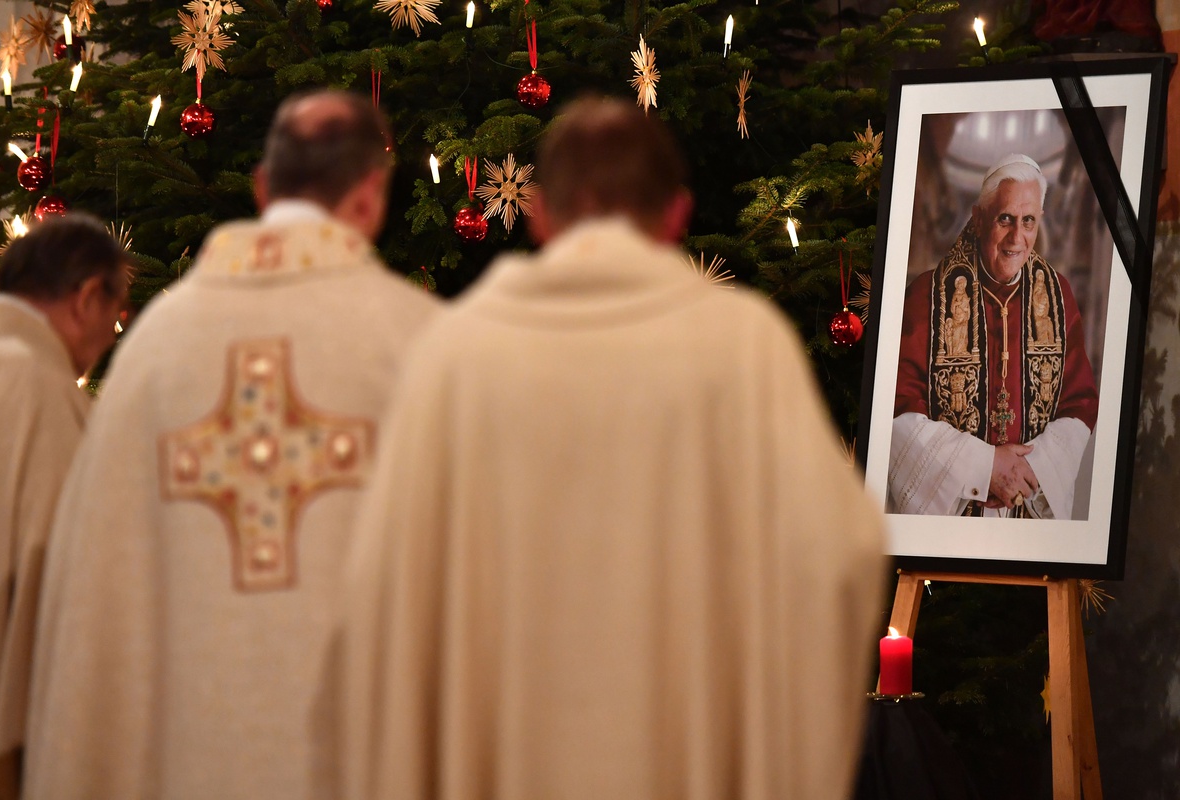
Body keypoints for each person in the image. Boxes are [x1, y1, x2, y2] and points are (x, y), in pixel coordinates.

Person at [339, 95, 887, 800]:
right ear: (676, 216)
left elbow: (385, 588)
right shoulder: (741, 346)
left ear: (537, 215)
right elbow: (838, 558)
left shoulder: (455, 355)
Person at [23, 90, 441, 800]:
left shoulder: (157, 346)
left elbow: (97, 593)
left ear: (261, 187)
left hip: (192, 766)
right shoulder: (419, 342)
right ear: (371, 194)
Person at [0, 214, 129, 800]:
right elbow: (59, 579)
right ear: (88, 296)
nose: (112, 337)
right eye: (115, 317)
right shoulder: (29, 382)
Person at [889, 153, 1099, 519]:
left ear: (1040, 222)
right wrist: (982, 467)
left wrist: (1030, 471)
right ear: (979, 217)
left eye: (1028, 221)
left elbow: (1079, 403)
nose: (1017, 238)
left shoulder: (1057, 295)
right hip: (956, 507)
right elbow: (899, 409)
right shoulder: (929, 295)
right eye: (1005, 219)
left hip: (1028, 503)